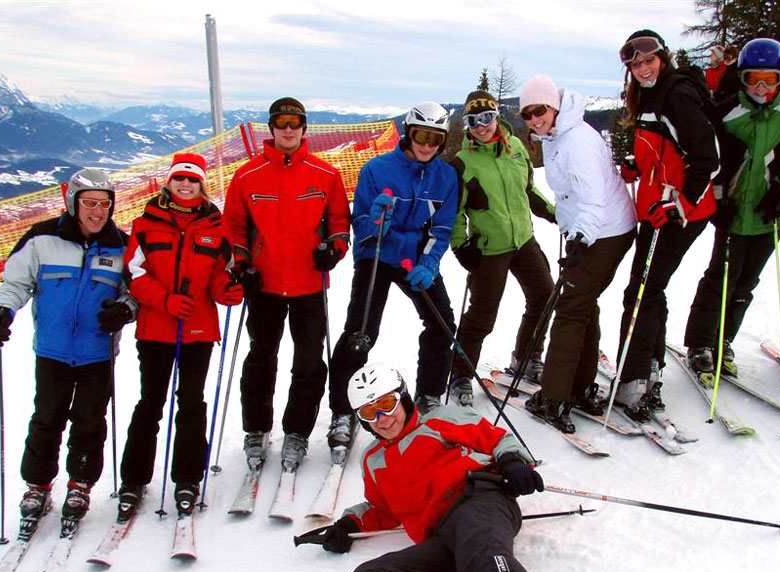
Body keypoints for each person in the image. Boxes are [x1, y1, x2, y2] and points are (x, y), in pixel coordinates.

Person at [317, 363, 560, 572]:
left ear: (402, 398)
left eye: (387, 405)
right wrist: (350, 524)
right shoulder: (373, 461)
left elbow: (495, 438)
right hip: (443, 536)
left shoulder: (438, 420)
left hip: (479, 498)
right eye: (369, 413)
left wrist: (513, 461)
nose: (382, 419)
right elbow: (384, 509)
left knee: (477, 541)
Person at [0, 168, 133, 535]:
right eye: (89, 204)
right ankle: (38, 486)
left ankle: (80, 485)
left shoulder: (122, 245)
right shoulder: (42, 239)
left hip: (97, 353)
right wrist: (3, 311)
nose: (97, 212)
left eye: (104, 204)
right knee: (46, 418)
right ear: (73, 204)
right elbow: (16, 280)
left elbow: (136, 290)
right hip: (52, 351)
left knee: (89, 421)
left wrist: (125, 309)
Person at [224, 98, 351, 470]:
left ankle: (297, 433)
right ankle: (257, 430)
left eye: (295, 123)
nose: (288, 129)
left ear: (304, 128)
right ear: (272, 128)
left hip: (308, 283)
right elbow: (233, 226)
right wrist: (242, 263)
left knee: (309, 363)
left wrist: (335, 248)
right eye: (281, 123)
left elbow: (340, 220)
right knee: (261, 361)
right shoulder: (248, 176)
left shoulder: (325, 174)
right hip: (264, 285)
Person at [325, 102, 459, 452]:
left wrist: (428, 264)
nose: (427, 145)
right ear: (408, 134)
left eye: (435, 138)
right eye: (421, 136)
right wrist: (375, 221)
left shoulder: (446, 177)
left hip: (415, 258)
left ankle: (429, 395)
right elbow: (361, 227)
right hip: (378, 254)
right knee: (360, 332)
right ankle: (343, 411)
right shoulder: (377, 169)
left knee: (442, 323)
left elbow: (442, 229)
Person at [118, 153, 242, 517]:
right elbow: (134, 273)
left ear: (202, 186)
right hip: (157, 327)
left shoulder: (216, 228)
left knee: (191, 403)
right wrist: (165, 301)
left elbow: (223, 272)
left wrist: (226, 291)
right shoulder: (145, 224)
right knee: (150, 404)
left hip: (199, 328)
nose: (185, 185)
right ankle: (133, 479)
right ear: (168, 183)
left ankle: (188, 477)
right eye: (179, 179)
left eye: (192, 180)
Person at [515, 74, 637, 434]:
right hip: (593, 231)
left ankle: (554, 397)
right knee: (584, 303)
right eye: (527, 114)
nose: (535, 119)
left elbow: (593, 196)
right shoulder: (556, 136)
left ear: (554, 106)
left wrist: (581, 238)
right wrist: (573, 232)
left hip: (604, 230)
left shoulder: (577, 141)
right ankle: (580, 386)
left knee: (570, 308)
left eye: (540, 110)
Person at [683, 39, 780, 377]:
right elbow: (714, 159)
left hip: (770, 215)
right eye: (753, 78)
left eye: (768, 79)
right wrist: (721, 198)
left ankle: (722, 342)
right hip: (733, 212)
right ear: (741, 78)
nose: (760, 87)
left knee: (745, 284)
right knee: (720, 279)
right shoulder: (728, 113)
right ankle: (700, 343)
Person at [613, 29, 719, 420]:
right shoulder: (650, 96)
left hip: (677, 213)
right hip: (659, 207)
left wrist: (679, 205)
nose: (643, 68)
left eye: (648, 60)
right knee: (649, 287)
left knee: (640, 292)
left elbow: (707, 158)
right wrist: (636, 167)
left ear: (663, 57)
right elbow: (666, 154)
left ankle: (636, 378)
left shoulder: (676, 94)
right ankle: (648, 366)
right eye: (635, 64)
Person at [447, 89, 557, 407]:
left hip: (524, 241)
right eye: (473, 120)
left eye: (487, 118)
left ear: (497, 117)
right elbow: (454, 213)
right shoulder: (462, 163)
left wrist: (554, 213)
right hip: (488, 249)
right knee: (482, 315)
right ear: (467, 124)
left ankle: (526, 358)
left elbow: (529, 191)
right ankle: (460, 373)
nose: (482, 126)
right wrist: (460, 246)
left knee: (544, 296)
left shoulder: (517, 149)